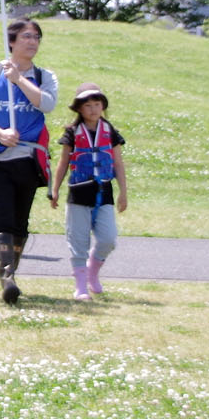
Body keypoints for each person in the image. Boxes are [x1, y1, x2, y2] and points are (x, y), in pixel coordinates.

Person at [0, 19, 58, 304]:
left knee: (21, 224)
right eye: (26, 36)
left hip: (29, 160)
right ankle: (7, 278)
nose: (32, 42)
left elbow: (47, 104)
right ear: (12, 41)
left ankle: (10, 272)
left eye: (36, 37)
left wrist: (19, 79)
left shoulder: (44, 77)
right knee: (3, 220)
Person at [49, 83, 129, 301]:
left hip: (104, 192)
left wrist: (123, 192)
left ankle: (93, 272)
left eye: (97, 104)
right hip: (78, 193)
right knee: (78, 241)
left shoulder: (110, 131)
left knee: (108, 238)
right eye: (88, 105)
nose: (93, 109)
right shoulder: (72, 133)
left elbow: (118, 164)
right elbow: (63, 162)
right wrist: (54, 189)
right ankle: (81, 286)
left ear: (103, 106)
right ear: (79, 109)